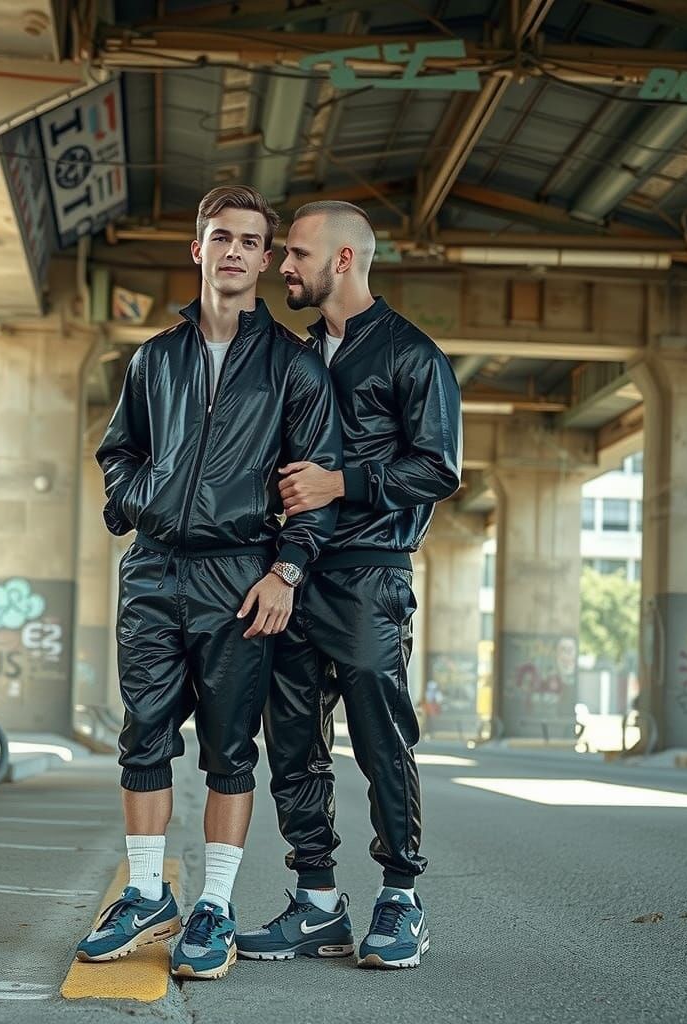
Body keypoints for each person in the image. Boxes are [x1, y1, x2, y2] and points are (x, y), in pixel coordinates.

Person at [79, 187, 342, 980]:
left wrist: (287, 571)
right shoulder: (154, 358)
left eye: (250, 241)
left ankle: (215, 906)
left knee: (231, 750)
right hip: (155, 570)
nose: (233, 251)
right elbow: (117, 453)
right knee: (144, 736)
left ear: (266, 260)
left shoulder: (293, 367)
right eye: (219, 237)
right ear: (197, 250)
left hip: (240, 577)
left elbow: (309, 486)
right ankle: (149, 893)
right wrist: (140, 501)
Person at [237, 201, 462, 970]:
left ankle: (401, 896)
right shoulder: (291, 357)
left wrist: (343, 481)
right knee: (293, 741)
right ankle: (317, 902)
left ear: (342, 260)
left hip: (370, 576)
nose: (282, 266)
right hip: (289, 576)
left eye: (295, 254)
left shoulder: (412, 356)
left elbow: (438, 468)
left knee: (380, 735)